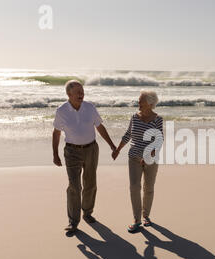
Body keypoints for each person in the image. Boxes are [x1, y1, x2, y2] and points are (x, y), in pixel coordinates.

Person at [52, 80, 117, 234]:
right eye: (78, 92)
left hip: (91, 149)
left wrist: (112, 145)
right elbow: (56, 133)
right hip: (72, 151)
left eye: (82, 91)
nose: (81, 94)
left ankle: (87, 213)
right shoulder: (61, 111)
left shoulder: (89, 107)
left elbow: (99, 127)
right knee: (74, 186)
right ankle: (73, 222)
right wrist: (55, 154)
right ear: (69, 94)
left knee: (90, 183)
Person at [112, 90, 163, 233]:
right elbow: (128, 135)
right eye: (139, 100)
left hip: (151, 158)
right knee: (134, 187)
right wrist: (118, 149)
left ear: (150, 103)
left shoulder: (158, 119)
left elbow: (159, 139)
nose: (138, 103)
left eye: (141, 100)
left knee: (149, 188)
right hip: (134, 157)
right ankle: (137, 219)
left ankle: (146, 216)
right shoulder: (134, 117)